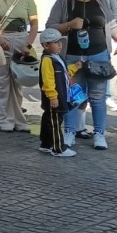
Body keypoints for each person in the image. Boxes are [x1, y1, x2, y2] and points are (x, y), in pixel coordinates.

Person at [46, 0, 117, 150]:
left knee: (98, 97)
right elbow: (50, 27)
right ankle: (69, 131)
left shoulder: (101, 2)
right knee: (73, 95)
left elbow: (112, 27)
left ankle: (99, 134)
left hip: (98, 55)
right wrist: (69, 25)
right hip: (72, 56)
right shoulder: (64, 3)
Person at [0, 0, 38, 134]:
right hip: (2, 39)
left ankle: (18, 119)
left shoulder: (27, 0)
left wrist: (28, 44)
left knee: (17, 83)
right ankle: (3, 119)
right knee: (1, 83)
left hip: (21, 39)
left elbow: (34, 24)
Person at [37, 28, 79, 158]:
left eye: (60, 42)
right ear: (46, 45)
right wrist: (52, 97)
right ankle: (58, 148)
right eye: (56, 42)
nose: (60, 45)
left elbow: (64, 74)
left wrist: (74, 68)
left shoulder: (56, 57)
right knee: (55, 122)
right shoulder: (48, 60)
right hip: (55, 98)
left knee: (49, 120)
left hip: (59, 95)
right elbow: (48, 80)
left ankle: (46, 144)